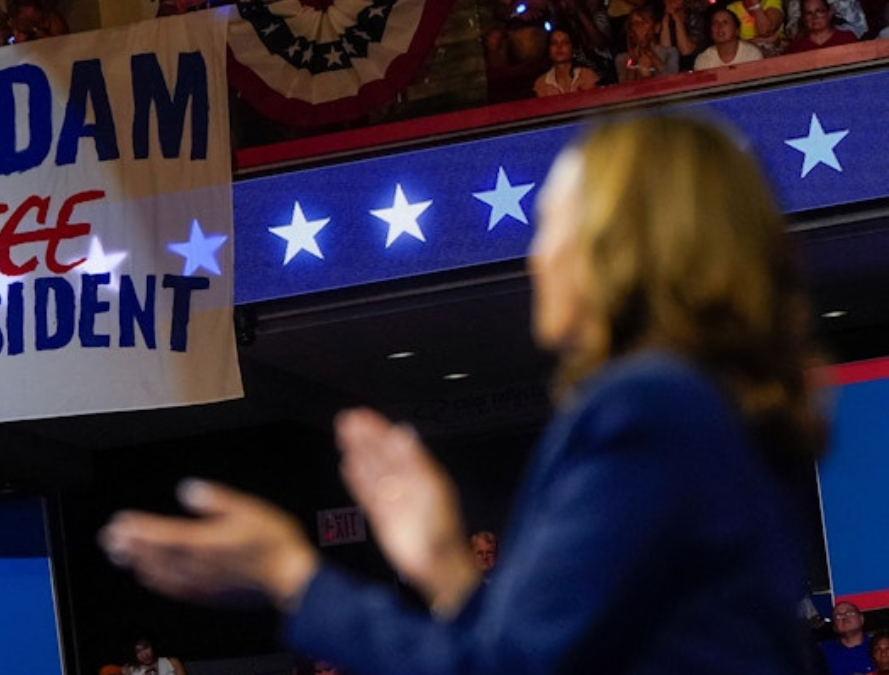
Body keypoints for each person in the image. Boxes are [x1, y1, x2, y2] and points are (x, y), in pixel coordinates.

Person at [100, 114, 825, 675]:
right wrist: (446, 567)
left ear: (620, 246)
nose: (536, 255)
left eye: (551, 225)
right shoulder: (704, 405)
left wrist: (288, 572)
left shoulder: (649, 409)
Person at [615, 5, 679, 82]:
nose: (640, 26)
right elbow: (624, 87)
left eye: (644, 22)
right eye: (635, 23)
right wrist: (634, 61)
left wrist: (649, 51)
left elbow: (671, 80)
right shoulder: (622, 59)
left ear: (656, 28)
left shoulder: (670, 53)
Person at [533, 27, 600, 96]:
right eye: (554, 43)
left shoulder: (587, 75)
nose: (559, 47)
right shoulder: (541, 83)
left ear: (573, 48)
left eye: (565, 43)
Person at [694, 8, 764, 69]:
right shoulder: (703, 60)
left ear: (737, 31)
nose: (719, 26)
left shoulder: (752, 55)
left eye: (725, 22)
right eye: (715, 23)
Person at [821, 601, 875, 675]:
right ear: (834, 626)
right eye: (838, 616)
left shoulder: (880, 646)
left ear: (861, 619)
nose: (844, 617)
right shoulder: (822, 651)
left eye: (850, 613)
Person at [785, 0, 859, 52]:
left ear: (830, 12)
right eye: (809, 13)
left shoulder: (847, 39)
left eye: (819, 11)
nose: (814, 17)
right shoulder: (795, 48)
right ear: (803, 18)